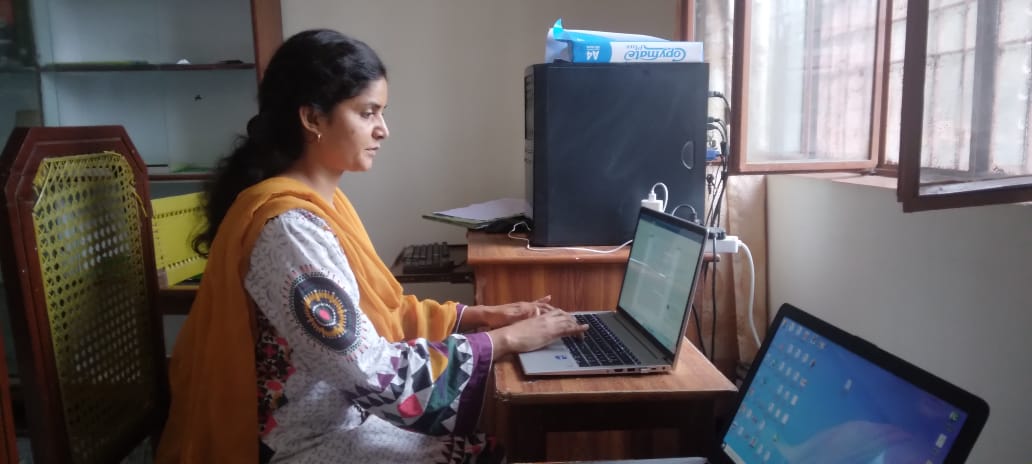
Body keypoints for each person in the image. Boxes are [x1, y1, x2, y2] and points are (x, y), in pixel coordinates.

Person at [155, 29, 589, 464]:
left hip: (341, 419)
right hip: (301, 443)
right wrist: (504, 341)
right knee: (487, 452)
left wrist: (482, 316)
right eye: (367, 113)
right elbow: (373, 371)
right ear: (312, 119)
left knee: (489, 443)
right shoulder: (290, 230)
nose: (383, 130)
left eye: (382, 113)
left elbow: (376, 313)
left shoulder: (322, 206)